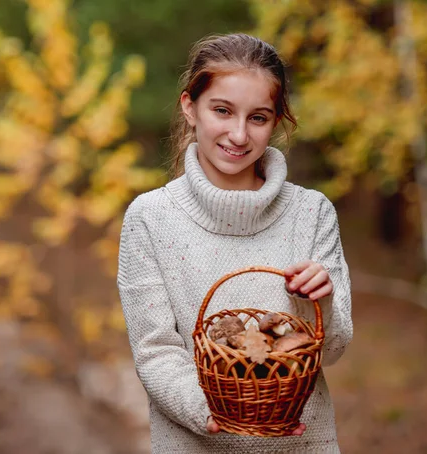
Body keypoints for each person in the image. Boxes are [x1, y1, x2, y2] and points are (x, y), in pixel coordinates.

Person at [117, 33, 353, 453]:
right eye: (222, 111)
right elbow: (155, 351)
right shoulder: (149, 219)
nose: (239, 135)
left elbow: (331, 349)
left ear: (277, 121)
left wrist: (322, 300)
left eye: (258, 117)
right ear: (190, 107)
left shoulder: (311, 213)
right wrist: (219, 410)